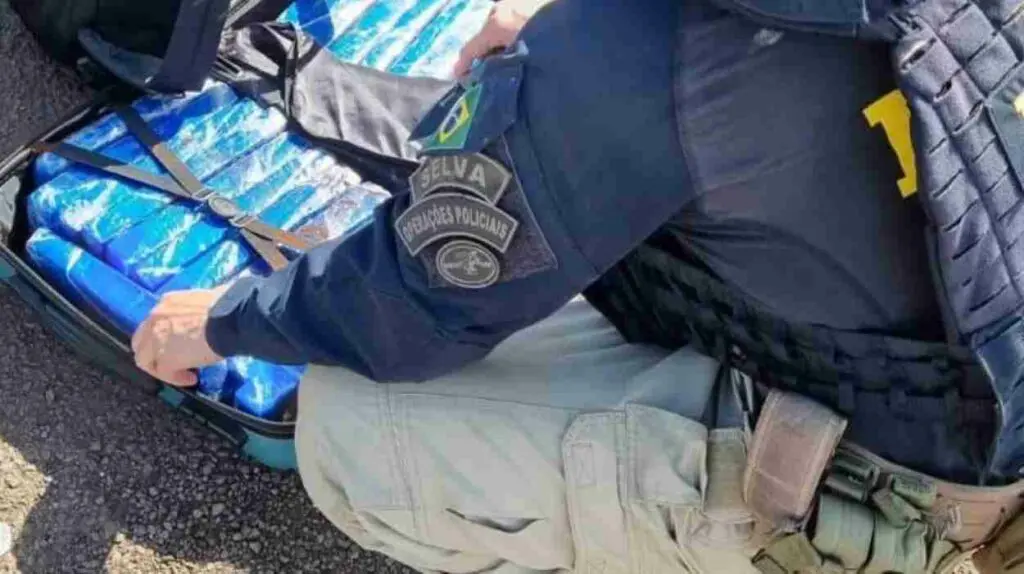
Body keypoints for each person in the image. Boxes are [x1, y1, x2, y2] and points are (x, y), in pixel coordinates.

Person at [127, 0, 1003, 570]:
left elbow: (413, 305)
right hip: (973, 392)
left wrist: (227, 320)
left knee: (349, 424)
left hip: (885, 502)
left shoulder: (658, 52)